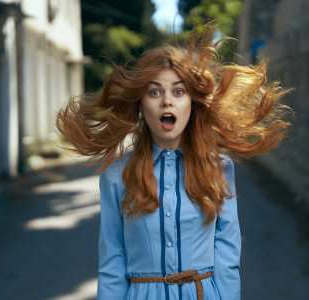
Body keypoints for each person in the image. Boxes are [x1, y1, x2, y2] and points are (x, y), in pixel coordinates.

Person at [56, 25, 290, 300]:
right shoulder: (117, 174)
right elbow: (112, 260)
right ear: (141, 104)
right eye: (154, 92)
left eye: (179, 92)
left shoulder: (220, 168)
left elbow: (227, 255)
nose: (167, 101)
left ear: (193, 102)